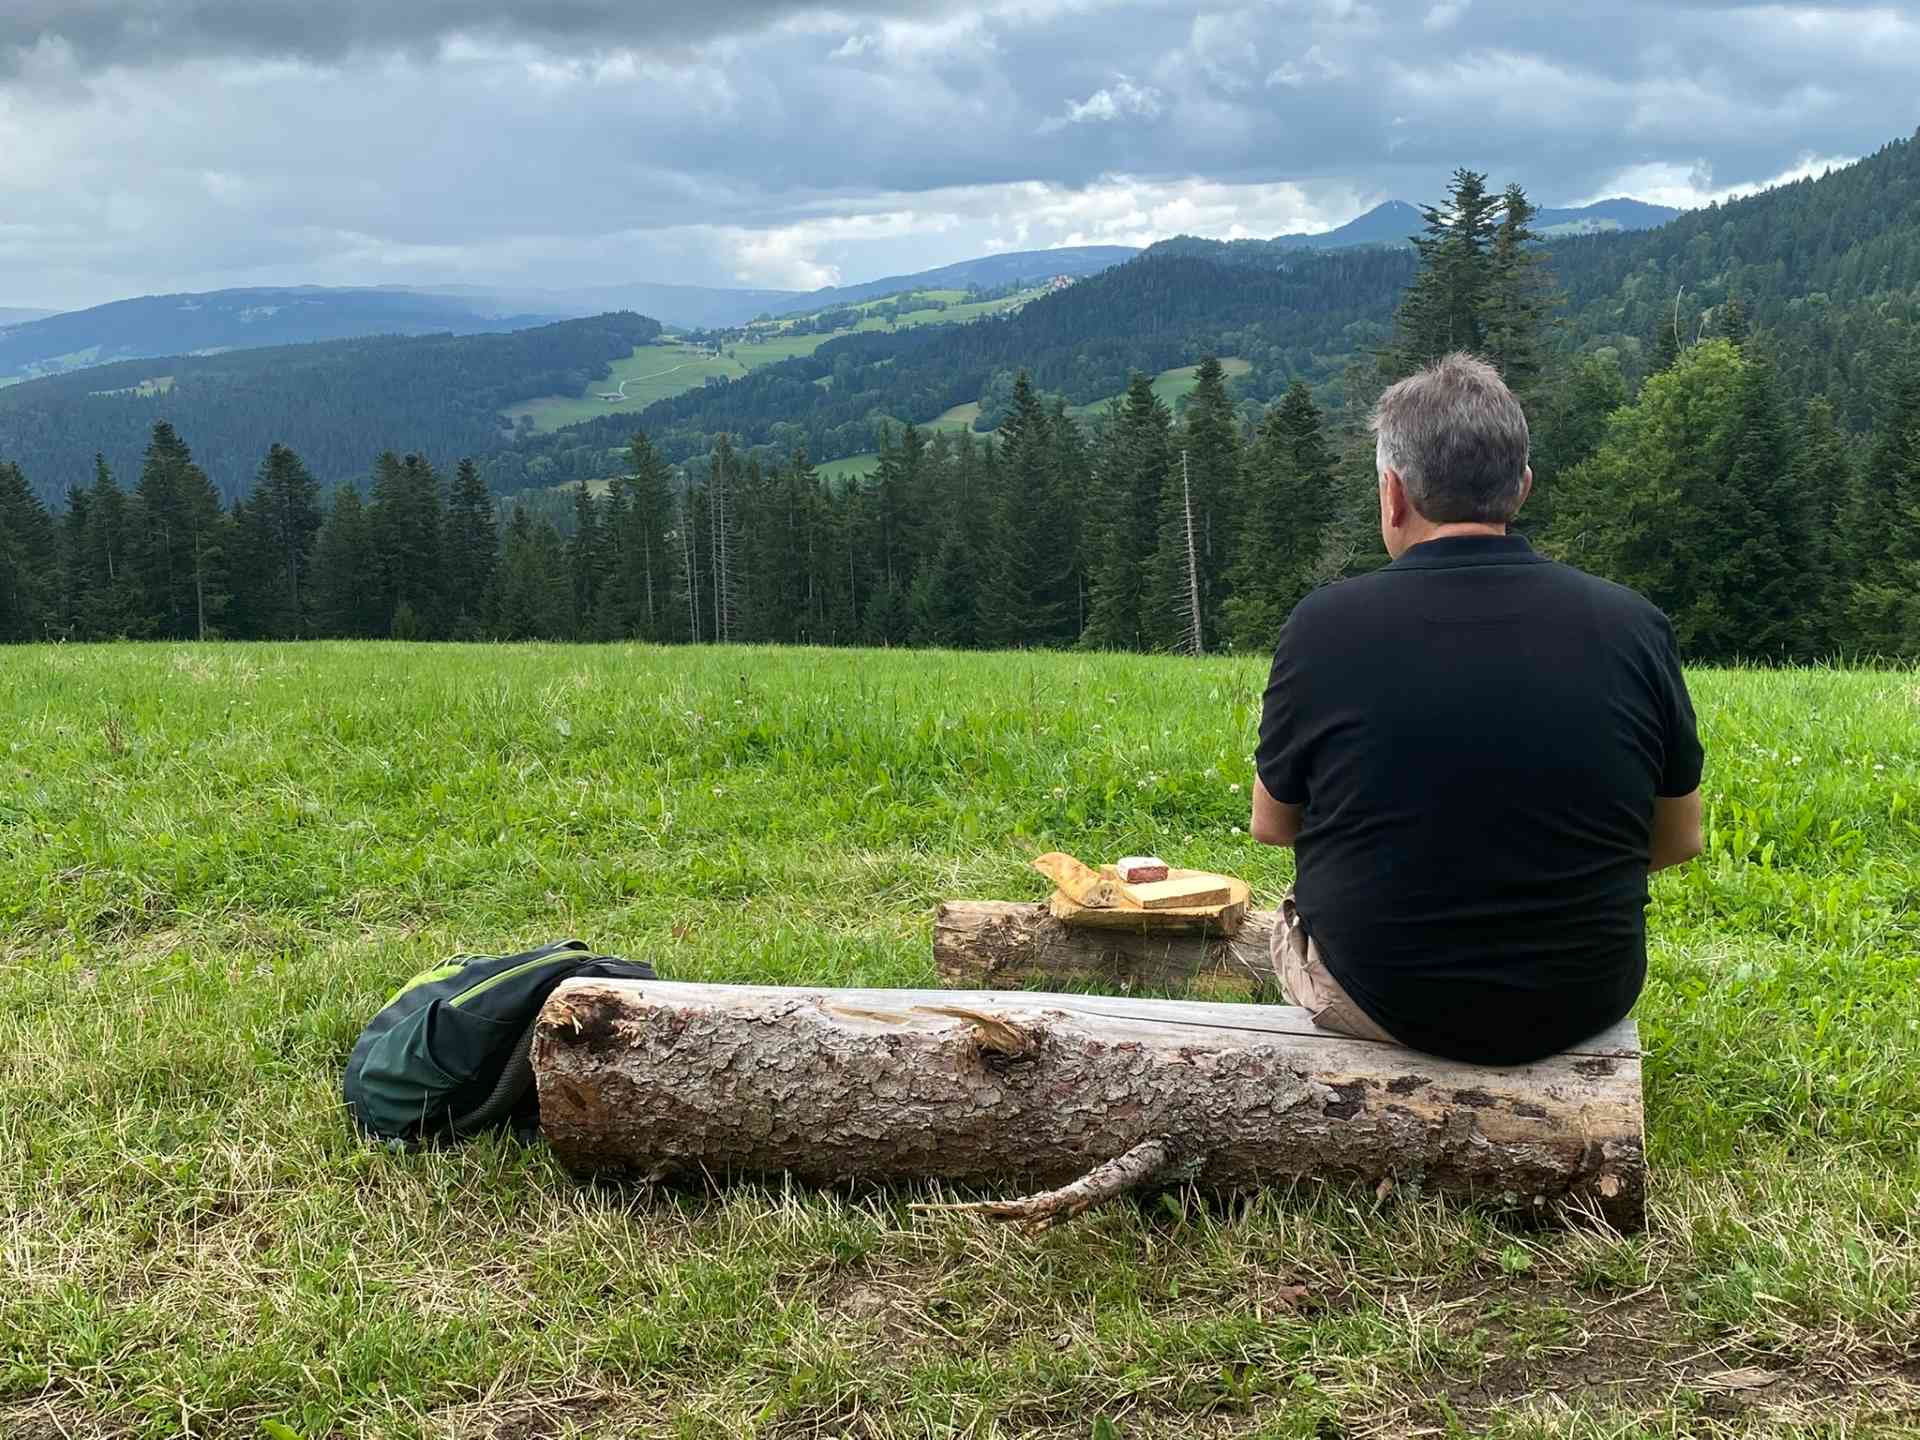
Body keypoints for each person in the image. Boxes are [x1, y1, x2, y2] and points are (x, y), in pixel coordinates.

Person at [1249, 352, 1703, 1066]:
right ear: (1520, 487)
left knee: (1294, 912)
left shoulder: (1324, 626)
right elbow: (1679, 839)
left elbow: (1272, 826)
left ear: (1393, 494)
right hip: (1586, 995)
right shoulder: (1634, 625)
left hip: (1384, 997)